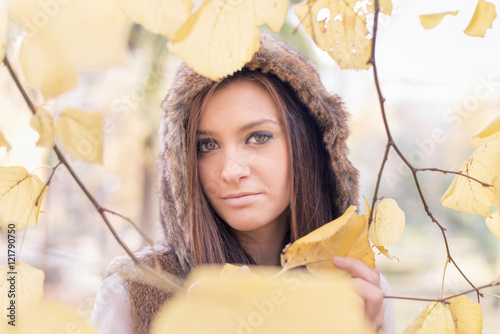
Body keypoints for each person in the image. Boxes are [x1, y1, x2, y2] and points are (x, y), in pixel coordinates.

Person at [91, 35, 396, 334]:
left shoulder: (360, 290)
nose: (230, 171)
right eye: (207, 145)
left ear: (309, 144)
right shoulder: (132, 294)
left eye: (258, 137)